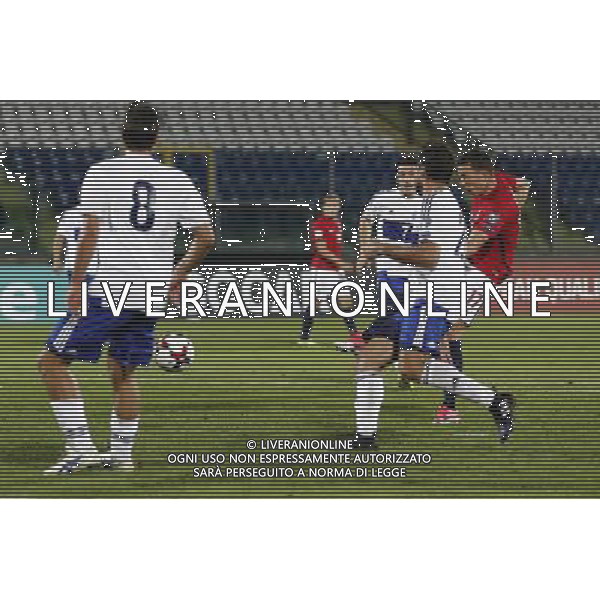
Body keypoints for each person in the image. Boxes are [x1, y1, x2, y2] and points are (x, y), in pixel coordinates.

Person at [38, 101, 215, 474]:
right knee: (123, 371)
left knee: (51, 363)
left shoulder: (102, 172)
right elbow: (204, 236)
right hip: (150, 293)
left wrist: (74, 283)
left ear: (122, 134)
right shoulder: (175, 177)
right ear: (157, 137)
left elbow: (91, 232)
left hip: (108, 289)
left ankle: (82, 450)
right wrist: (177, 276)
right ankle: (120, 456)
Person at [351, 144, 515, 449]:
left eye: (415, 168)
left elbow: (430, 258)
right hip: (413, 295)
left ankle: (494, 401)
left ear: (424, 172)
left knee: (411, 367)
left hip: (437, 297)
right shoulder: (427, 202)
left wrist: (381, 247)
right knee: (370, 358)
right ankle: (364, 439)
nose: (408, 173)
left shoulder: (442, 204)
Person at [432, 148, 530, 424]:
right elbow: (524, 184)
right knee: (439, 331)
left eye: (465, 176)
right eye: (459, 176)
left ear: (483, 173)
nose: (461, 182)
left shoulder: (498, 207)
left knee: (447, 336)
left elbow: (471, 245)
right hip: (471, 267)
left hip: (485, 273)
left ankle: (450, 408)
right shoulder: (499, 182)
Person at [336, 156, 422, 354]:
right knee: (395, 312)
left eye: (411, 174)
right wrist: (365, 251)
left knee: (402, 314)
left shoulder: (426, 205)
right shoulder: (383, 198)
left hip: (416, 270)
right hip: (388, 268)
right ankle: (382, 348)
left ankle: (368, 343)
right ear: (396, 177)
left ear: (418, 176)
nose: (406, 179)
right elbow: (365, 222)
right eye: (402, 174)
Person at [298, 193, 358, 345]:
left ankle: (355, 336)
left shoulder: (337, 223)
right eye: (331, 204)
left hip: (335, 270)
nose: (334, 207)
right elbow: (321, 249)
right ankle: (304, 338)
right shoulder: (318, 224)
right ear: (323, 206)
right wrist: (341, 263)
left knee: (345, 301)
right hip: (321, 270)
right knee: (316, 303)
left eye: (337, 204)